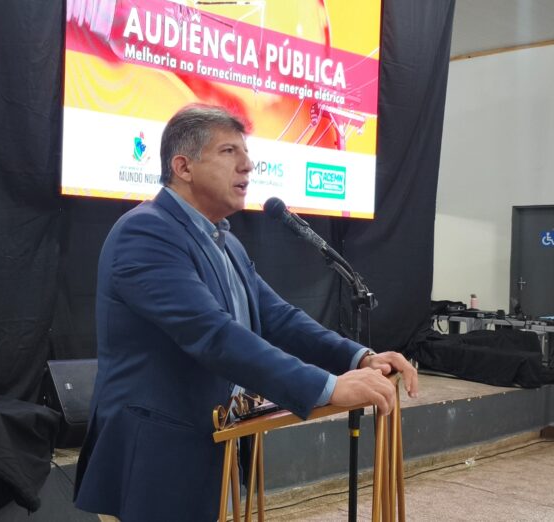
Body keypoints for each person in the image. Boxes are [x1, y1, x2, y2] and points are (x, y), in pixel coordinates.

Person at [74, 104, 419, 522]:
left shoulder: (226, 242)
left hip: (212, 446)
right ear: (183, 167)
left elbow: (278, 317)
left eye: (246, 153)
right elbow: (213, 334)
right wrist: (327, 387)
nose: (248, 165)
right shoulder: (146, 232)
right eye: (229, 152)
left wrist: (357, 357)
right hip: (156, 460)